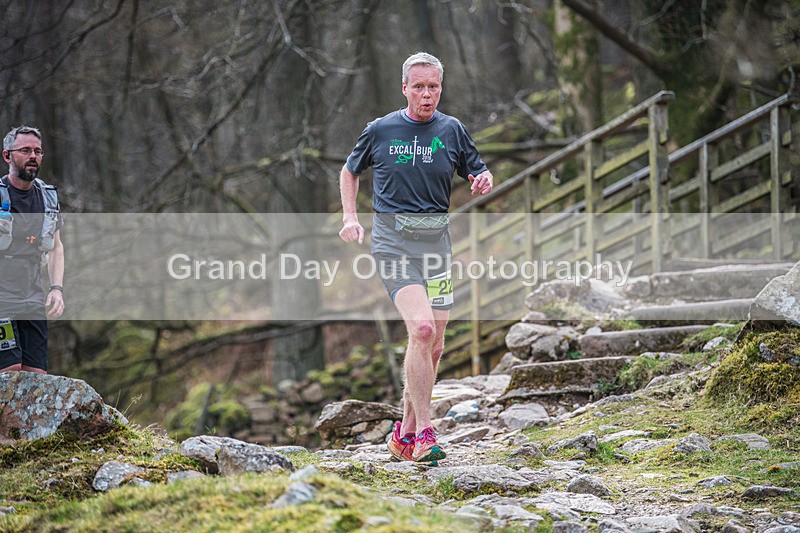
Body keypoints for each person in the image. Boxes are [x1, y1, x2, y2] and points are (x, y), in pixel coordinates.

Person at [338, 52, 493, 463]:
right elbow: (349, 171)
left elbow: (476, 169)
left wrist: (483, 177)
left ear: (441, 88)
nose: (427, 95)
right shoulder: (382, 129)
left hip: (437, 248)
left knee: (435, 344)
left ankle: (402, 432)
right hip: (392, 245)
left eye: (434, 87)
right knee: (422, 329)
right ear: (404, 87)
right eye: (419, 87)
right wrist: (350, 218)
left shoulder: (452, 130)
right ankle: (425, 432)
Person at [0, 125, 65, 374]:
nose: (33, 156)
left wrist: (56, 289)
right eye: (25, 150)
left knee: (36, 375)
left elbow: (56, 247)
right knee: (10, 370)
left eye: (38, 151)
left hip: (33, 297)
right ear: (8, 155)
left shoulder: (48, 198)